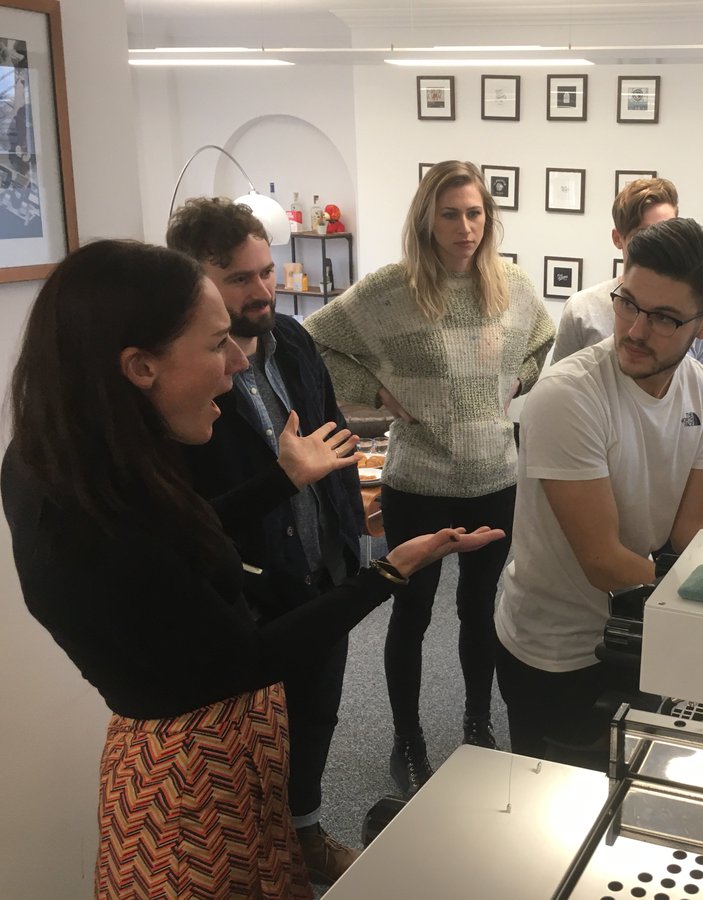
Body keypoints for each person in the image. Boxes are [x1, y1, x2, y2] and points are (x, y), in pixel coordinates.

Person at [2, 239, 504, 899]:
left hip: (213, 755)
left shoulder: (81, 465)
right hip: (191, 784)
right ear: (140, 366)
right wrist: (388, 573)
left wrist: (280, 480)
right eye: (217, 346)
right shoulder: (81, 510)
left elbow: (176, 540)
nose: (239, 363)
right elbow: (246, 656)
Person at [303, 160, 555, 796]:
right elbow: (313, 340)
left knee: (479, 609)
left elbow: (542, 338)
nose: (465, 228)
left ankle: (477, 724)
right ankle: (407, 738)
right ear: (426, 220)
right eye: (450, 214)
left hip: (495, 477)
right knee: (411, 612)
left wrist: (518, 381)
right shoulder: (391, 290)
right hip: (417, 483)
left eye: (475, 214)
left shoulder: (513, 286)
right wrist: (374, 391)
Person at [166, 197, 362, 885]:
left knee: (317, 715)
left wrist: (350, 538)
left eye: (266, 270)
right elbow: (187, 511)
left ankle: (305, 832)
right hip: (252, 587)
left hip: (323, 570)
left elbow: (333, 439)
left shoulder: (294, 341)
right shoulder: (185, 374)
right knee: (253, 736)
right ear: (194, 285)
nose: (262, 289)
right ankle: (260, 858)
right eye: (240, 278)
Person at [494, 217, 703, 759]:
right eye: (627, 303)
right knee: (551, 798)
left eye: (665, 318)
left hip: (635, 622)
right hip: (555, 646)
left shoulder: (700, 388)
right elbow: (603, 561)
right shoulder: (569, 395)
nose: (634, 331)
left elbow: (693, 523)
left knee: (631, 780)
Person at [552, 177, 703, 388]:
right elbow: (560, 383)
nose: (658, 244)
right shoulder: (582, 309)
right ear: (618, 238)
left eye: (665, 318)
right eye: (643, 235)